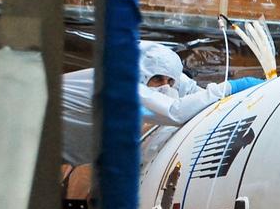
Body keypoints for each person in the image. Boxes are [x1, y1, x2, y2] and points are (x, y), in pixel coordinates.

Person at [61, 41, 263, 166]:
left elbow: (196, 95)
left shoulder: (161, 73)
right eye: (157, 80)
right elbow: (174, 112)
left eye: (170, 81)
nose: (165, 87)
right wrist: (232, 87)